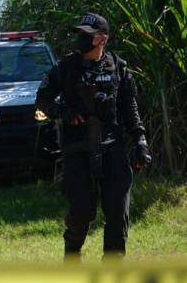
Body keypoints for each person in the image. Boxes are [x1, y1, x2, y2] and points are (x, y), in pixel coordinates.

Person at [35, 13, 152, 261]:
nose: (80, 39)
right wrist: (63, 112)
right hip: (78, 147)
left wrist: (140, 141)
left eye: (86, 35)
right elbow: (42, 99)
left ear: (101, 39)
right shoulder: (65, 68)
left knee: (117, 214)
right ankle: (72, 255)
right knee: (82, 212)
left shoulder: (118, 68)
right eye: (79, 34)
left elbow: (130, 109)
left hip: (112, 146)